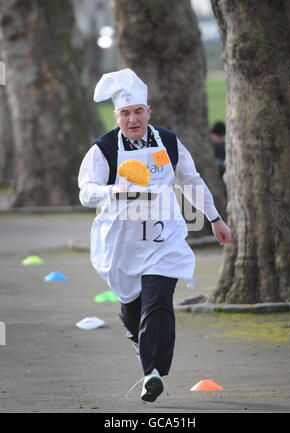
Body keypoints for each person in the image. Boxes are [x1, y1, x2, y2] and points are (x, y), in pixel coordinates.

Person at [78, 68, 231, 403]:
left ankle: (153, 373)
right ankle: (138, 340)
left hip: (164, 239)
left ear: (148, 112)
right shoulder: (104, 149)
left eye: (138, 112)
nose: (133, 120)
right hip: (121, 243)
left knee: (159, 301)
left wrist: (215, 219)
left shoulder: (169, 142)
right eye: (125, 113)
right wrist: (114, 190)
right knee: (132, 309)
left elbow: (191, 180)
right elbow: (85, 193)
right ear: (116, 115)